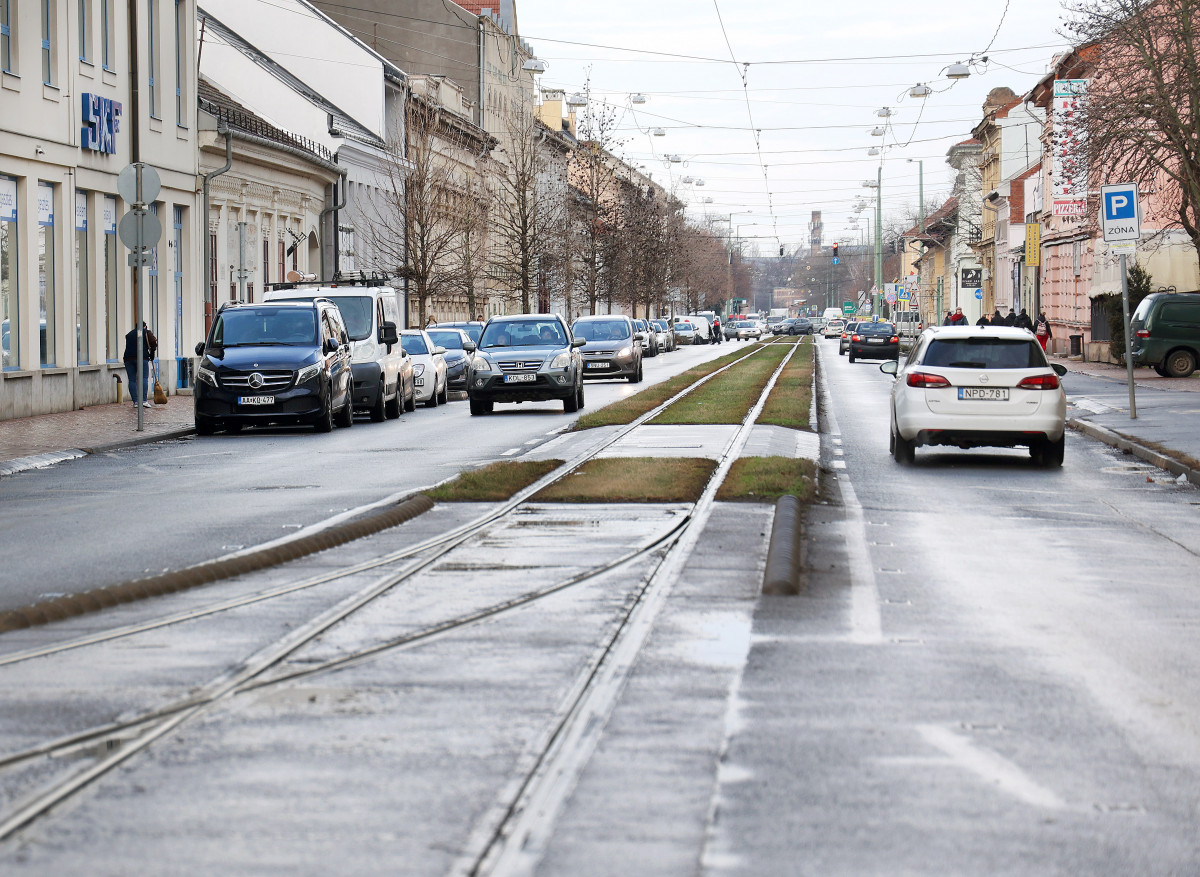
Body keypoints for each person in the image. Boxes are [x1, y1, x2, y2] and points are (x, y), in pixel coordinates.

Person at [122, 322, 158, 408]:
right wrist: (152, 353)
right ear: (145, 326)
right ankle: (144, 401)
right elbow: (153, 342)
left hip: (128, 359)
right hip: (142, 358)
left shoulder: (129, 334)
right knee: (144, 378)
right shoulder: (146, 332)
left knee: (132, 380)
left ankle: (136, 402)